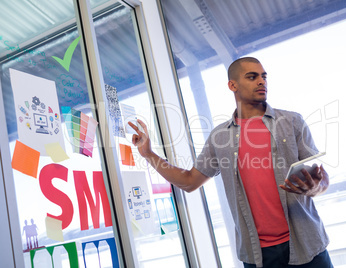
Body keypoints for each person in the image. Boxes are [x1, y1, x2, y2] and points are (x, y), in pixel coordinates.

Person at [129, 57, 333, 268]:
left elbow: (321, 178)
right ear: (232, 85)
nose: (261, 81)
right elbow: (189, 182)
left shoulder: (292, 122)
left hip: (307, 246)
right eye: (252, 77)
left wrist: (316, 187)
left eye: (264, 76)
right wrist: (148, 153)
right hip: (258, 257)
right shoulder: (219, 137)